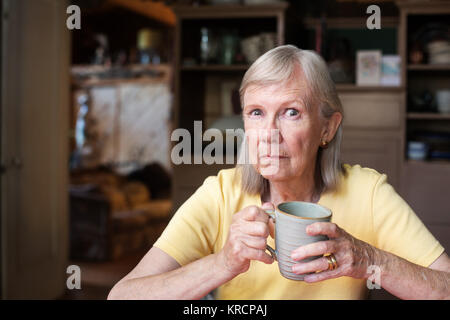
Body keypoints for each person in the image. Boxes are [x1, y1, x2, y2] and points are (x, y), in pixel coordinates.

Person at [108, 45, 450, 300]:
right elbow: (123, 296)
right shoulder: (220, 194)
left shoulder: (368, 193)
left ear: (327, 128)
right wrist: (223, 263)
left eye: (290, 112)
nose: (269, 134)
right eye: (256, 113)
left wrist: (368, 258)